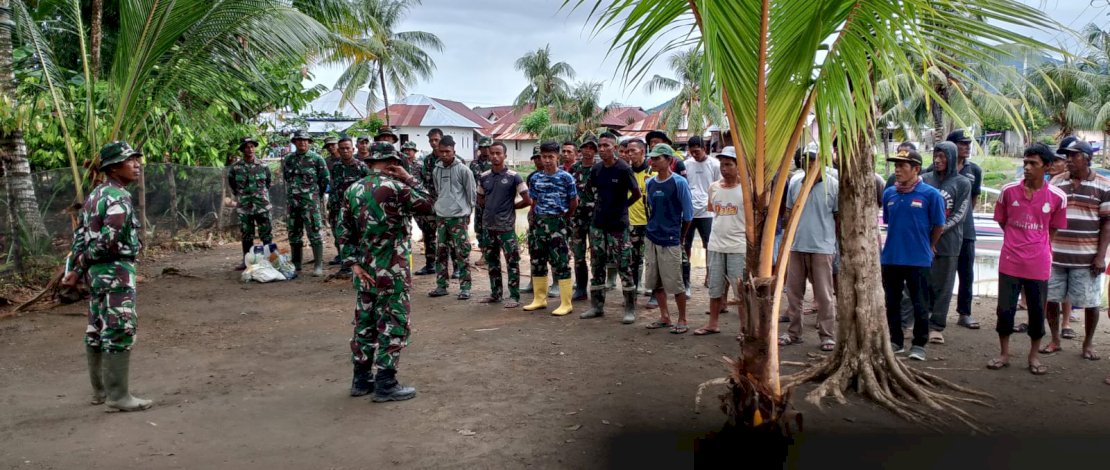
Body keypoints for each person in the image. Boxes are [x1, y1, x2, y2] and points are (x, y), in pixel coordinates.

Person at [337, 142, 433, 402]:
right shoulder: (397, 188)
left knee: (365, 322)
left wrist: (353, 264)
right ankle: (385, 383)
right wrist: (409, 178)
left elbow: (344, 231)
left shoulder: (352, 190)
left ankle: (361, 379)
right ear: (392, 163)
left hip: (365, 269)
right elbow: (428, 205)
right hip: (392, 269)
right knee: (393, 322)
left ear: (369, 163)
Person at [62, 141, 152, 412]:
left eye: (137, 160)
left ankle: (100, 392)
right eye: (130, 161)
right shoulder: (118, 197)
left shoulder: (95, 196)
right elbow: (107, 241)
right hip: (115, 271)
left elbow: (80, 237)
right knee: (119, 327)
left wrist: (77, 270)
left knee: (97, 327)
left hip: (97, 274)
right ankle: (118, 397)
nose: (137, 165)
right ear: (114, 168)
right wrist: (88, 260)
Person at [988, 143, 1067, 375]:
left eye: (1033, 163)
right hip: (1010, 261)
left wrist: (1038, 245)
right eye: (1025, 163)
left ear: (1047, 167)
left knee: (1036, 311)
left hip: (1038, 263)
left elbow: (1052, 229)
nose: (1027, 167)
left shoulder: (1057, 197)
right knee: (1005, 310)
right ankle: (1004, 353)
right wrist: (1017, 240)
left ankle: (1033, 356)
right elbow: (1003, 222)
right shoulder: (1008, 191)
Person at [1043, 138, 1110, 360]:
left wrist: (1100, 256)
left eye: (1074, 156)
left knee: (1091, 303)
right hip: (1055, 256)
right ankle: (1055, 339)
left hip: (1086, 258)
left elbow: (1107, 224)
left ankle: (1088, 344)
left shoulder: (1103, 185)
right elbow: (1046, 217)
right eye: (1067, 156)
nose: (1068, 160)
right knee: (1051, 299)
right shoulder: (1055, 183)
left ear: (1087, 158)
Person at [881, 149, 945, 361]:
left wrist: (930, 246)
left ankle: (919, 344)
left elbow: (938, 225)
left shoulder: (931, 195)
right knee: (892, 301)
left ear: (916, 169)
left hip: (918, 258)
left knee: (920, 303)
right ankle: (896, 340)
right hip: (891, 257)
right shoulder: (889, 193)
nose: (897, 170)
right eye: (896, 166)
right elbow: (890, 222)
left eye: (903, 166)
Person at [580, 132, 642, 323]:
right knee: (597, 264)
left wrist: (622, 207)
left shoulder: (623, 168)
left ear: (615, 149)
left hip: (618, 226)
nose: (603, 149)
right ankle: (597, 306)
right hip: (598, 225)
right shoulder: (597, 169)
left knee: (624, 265)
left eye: (607, 146)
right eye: (601, 146)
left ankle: (630, 309)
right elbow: (589, 192)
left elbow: (637, 194)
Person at [781, 150, 840, 351]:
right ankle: (794, 333)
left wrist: (836, 246)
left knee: (824, 294)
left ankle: (827, 335)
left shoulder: (833, 185)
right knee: (793, 293)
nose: (811, 163)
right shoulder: (796, 183)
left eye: (815, 159)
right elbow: (788, 213)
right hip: (797, 246)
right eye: (807, 159)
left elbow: (838, 218)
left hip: (822, 247)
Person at [917, 142, 972, 345]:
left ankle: (936, 326)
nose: (938, 160)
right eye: (936, 156)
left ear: (951, 157)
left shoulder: (962, 183)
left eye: (943, 156)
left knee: (944, 285)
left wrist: (938, 230)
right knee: (919, 282)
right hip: (923, 241)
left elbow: (960, 214)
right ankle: (915, 322)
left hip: (949, 243)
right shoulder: (924, 179)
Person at [695, 146, 746, 338]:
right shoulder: (714, 187)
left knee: (740, 291)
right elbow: (712, 210)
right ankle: (713, 323)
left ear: (737, 165)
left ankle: (744, 328)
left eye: (729, 164)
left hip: (738, 245)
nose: (724, 168)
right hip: (716, 243)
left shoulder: (746, 189)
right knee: (715, 287)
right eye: (722, 164)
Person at [642, 144, 694, 334]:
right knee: (655, 280)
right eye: (652, 159)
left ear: (669, 160)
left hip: (671, 238)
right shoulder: (650, 183)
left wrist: (680, 237)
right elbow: (650, 210)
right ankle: (664, 316)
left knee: (675, 282)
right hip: (652, 236)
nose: (653, 162)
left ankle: (682, 318)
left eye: (657, 159)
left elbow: (688, 215)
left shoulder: (679, 183)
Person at [523, 141, 579, 315]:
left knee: (561, 262)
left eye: (550, 157)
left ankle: (566, 303)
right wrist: (533, 221)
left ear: (558, 157)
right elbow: (534, 202)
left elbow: (574, 203)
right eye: (543, 157)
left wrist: (563, 219)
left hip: (558, 224)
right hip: (539, 224)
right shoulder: (535, 178)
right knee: (537, 261)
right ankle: (539, 299)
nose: (546, 160)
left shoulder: (566, 178)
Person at [477, 142, 532, 308]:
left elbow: (527, 199)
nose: (495, 156)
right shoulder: (484, 177)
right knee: (492, 261)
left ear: (504, 156)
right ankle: (496, 294)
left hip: (506, 227)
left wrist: (511, 207)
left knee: (512, 262)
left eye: (498, 153)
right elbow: (480, 198)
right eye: (492, 153)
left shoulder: (514, 176)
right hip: (488, 227)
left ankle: (514, 296)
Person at [428, 135, 476, 300]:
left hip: (458, 218)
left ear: (454, 151)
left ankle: (465, 288)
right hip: (441, 217)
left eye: (447, 151)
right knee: (440, 253)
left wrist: (468, 213)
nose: (444, 155)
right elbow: (437, 191)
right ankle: (441, 286)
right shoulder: (436, 170)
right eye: (441, 152)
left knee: (462, 253)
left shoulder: (463, 170)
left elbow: (471, 194)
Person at [946, 130, 984, 330]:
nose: (967, 147)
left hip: (967, 229)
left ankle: (964, 312)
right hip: (942, 229)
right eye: (962, 143)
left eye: (968, 144)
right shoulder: (938, 169)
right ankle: (934, 310)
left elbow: (973, 200)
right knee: (939, 271)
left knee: (966, 272)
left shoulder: (974, 171)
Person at [282, 130, 330, 276]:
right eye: (299, 140)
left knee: (314, 233)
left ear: (309, 142)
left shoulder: (316, 159)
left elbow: (325, 180)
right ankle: (297, 264)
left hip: (310, 203)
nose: (302, 142)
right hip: (293, 203)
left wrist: (315, 196)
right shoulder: (289, 159)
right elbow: (286, 178)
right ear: (294, 142)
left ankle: (318, 265)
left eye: (305, 140)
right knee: (294, 233)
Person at [681, 136, 721, 294]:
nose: (695, 155)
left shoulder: (714, 164)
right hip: (689, 212)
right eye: (692, 152)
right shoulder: (686, 164)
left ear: (704, 148)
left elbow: (719, 185)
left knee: (708, 246)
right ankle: (686, 280)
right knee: (686, 245)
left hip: (707, 213)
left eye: (697, 151)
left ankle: (709, 276)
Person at [227, 137, 273, 270]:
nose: (250, 149)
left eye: (252, 146)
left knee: (266, 233)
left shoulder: (263, 166)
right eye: (247, 147)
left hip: (262, 205)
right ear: (242, 150)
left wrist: (260, 195)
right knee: (247, 234)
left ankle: (269, 260)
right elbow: (233, 184)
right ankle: (246, 261)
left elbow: (268, 183)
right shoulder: (236, 168)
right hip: (245, 206)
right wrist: (243, 196)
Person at [328, 138, 371, 274]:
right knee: (340, 235)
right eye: (342, 148)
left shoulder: (362, 167)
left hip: (356, 208)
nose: (345, 151)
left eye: (348, 148)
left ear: (353, 149)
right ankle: (345, 264)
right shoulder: (335, 167)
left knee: (359, 236)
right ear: (338, 150)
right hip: (338, 208)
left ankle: (361, 264)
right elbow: (334, 186)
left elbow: (368, 187)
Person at [626, 139, 654, 304]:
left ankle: (654, 295)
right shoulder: (626, 172)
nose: (630, 154)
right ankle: (633, 293)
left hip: (650, 224)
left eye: (634, 151)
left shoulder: (653, 173)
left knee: (652, 260)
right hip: (631, 223)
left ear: (643, 152)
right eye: (628, 151)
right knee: (633, 261)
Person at [567, 139, 595, 301]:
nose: (588, 151)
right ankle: (581, 288)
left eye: (591, 148)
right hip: (577, 219)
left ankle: (598, 288)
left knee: (597, 255)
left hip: (595, 219)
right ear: (580, 151)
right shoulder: (574, 169)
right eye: (585, 148)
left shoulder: (599, 169)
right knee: (578, 255)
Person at [413, 129, 443, 276]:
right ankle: (430, 264)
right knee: (428, 233)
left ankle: (452, 267)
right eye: (431, 140)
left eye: (436, 140)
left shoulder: (452, 159)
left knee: (448, 236)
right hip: (431, 202)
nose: (433, 143)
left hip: (447, 204)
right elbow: (424, 181)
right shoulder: (427, 160)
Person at [470, 137, 494, 267]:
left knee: (492, 228)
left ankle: (492, 254)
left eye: (487, 147)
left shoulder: (496, 162)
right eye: (483, 147)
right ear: (479, 149)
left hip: (493, 202)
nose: (485, 150)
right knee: (479, 227)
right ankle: (484, 253)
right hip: (479, 201)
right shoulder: (474, 164)